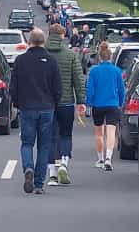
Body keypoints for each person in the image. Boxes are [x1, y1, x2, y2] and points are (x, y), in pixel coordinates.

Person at [10, 28, 62, 194]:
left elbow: (14, 87)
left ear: (29, 42)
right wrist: (54, 103)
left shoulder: (20, 61)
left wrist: (18, 104)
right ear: (43, 42)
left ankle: (28, 168)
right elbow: (58, 88)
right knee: (44, 146)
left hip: (27, 108)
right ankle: (39, 184)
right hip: (47, 108)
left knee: (27, 143)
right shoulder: (51, 61)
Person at [44, 23, 85, 186]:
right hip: (66, 103)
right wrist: (81, 101)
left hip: (46, 103)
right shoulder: (70, 55)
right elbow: (78, 79)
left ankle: (52, 174)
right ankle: (64, 163)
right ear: (62, 36)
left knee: (49, 137)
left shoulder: (43, 55)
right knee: (66, 135)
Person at [85, 40, 126, 171]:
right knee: (111, 132)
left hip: (98, 105)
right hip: (112, 104)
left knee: (99, 132)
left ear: (99, 57)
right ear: (111, 57)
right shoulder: (117, 71)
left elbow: (90, 90)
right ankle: (108, 158)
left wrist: (88, 104)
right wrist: (120, 103)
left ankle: (100, 158)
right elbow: (121, 90)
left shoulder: (94, 71)